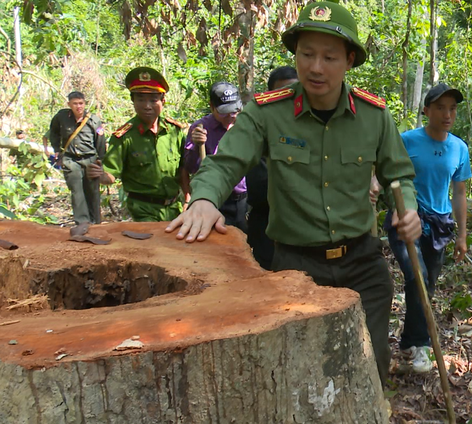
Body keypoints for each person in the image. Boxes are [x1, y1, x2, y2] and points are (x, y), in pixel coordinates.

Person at [165, 1, 422, 383]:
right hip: (296, 266)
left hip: (362, 263)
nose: (316, 67)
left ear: (349, 60)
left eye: (330, 57)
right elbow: (225, 163)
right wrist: (203, 200)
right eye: (307, 54)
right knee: (301, 373)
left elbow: (398, 174)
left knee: (370, 368)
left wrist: (408, 208)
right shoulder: (267, 113)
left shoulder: (374, 116)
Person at [385, 83, 471, 373]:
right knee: (416, 275)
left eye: (452, 108)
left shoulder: (459, 148)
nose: (447, 114)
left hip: (440, 223)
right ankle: (421, 345)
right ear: (426, 110)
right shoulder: (407, 141)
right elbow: (386, 172)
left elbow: (459, 193)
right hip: (407, 217)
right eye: (440, 107)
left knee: (427, 285)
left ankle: (409, 341)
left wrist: (461, 235)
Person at [87, 67, 188, 222]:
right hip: (143, 210)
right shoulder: (124, 137)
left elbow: (183, 170)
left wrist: (188, 199)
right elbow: (111, 173)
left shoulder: (174, 132)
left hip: (174, 208)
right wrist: (100, 174)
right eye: (140, 99)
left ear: (163, 101)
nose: (147, 106)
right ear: (133, 101)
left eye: (153, 100)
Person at [245, 66, 299, 270]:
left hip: (307, 242)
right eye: (283, 93)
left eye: (294, 92)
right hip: (268, 233)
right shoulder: (260, 130)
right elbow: (258, 190)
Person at [182, 82, 247, 231]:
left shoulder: (244, 124)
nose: (231, 116)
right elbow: (191, 167)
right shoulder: (200, 128)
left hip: (243, 199)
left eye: (235, 110)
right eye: (225, 112)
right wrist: (196, 145)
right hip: (217, 200)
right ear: (212, 107)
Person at [49, 91, 106, 224]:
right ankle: (82, 222)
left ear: (85, 103)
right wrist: (57, 149)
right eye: (75, 104)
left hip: (90, 159)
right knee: (77, 191)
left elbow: (100, 141)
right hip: (71, 159)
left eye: (81, 103)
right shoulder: (61, 117)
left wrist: (101, 161)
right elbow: (54, 132)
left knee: (92, 191)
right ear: (69, 104)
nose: (78, 106)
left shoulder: (94, 120)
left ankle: (95, 222)